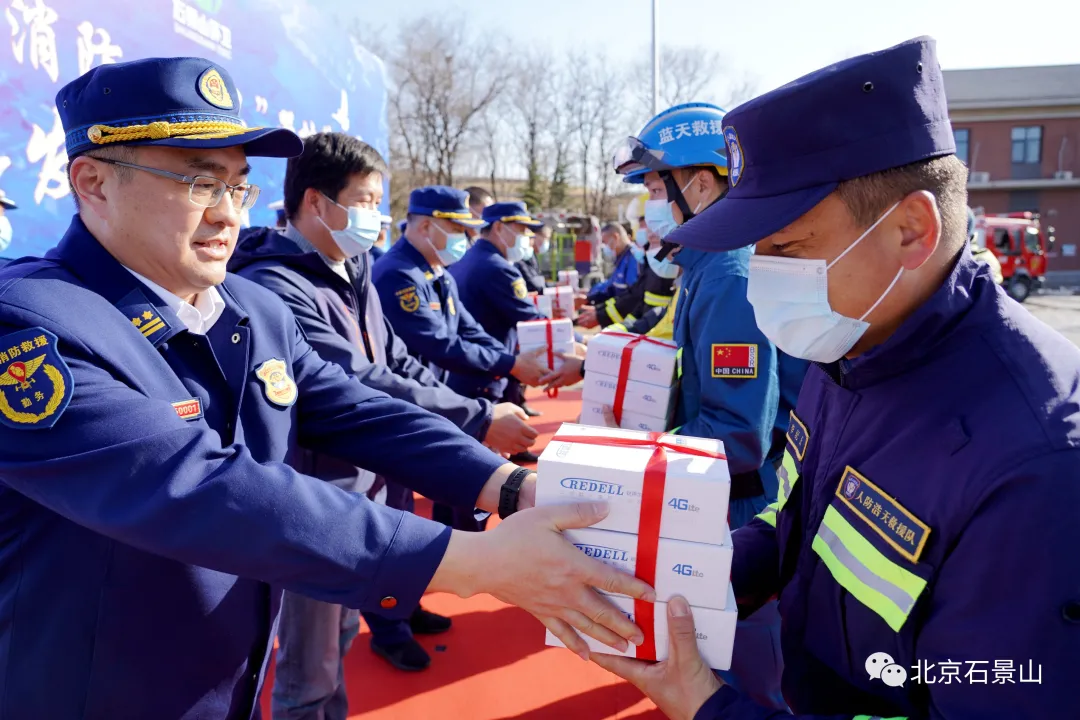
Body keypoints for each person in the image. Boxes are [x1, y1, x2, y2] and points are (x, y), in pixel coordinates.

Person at [0, 57, 656, 719]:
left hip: (234, 682)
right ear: (94, 184)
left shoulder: (250, 308)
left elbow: (356, 408)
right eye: (198, 183)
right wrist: (472, 561)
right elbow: (200, 487)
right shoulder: (31, 327)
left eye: (238, 186)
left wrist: (508, 486)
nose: (226, 214)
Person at [594, 36, 1080, 720]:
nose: (761, 275)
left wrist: (705, 706)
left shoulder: (1038, 470)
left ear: (912, 229)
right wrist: (700, 578)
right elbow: (799, 516)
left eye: (788, 248)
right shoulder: (847, 346)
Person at [229, 134, 540, 708]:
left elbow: (394, 359)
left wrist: (479, 413)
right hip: (316, 499)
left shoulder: (351, 267)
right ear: (317, 203)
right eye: (367, 200)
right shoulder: (276, 286)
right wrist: (476, 418)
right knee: (309, 669)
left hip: (367, 483)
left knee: (343, 635)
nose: (377, 216)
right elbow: (356, 382)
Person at [612, 101, 811, 711]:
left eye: (654, 186)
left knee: (742, 667)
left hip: (739, 502)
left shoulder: (727, 273)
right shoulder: (703, 266)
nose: (650, 201)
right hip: (716, 490)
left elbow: (737, 431)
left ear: (700, 182)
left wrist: (628, 460)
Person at [373, 187, 550, 531]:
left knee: (453, 488)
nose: (465, 239)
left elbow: (468, 329)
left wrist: (508, 360)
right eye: (457, 230)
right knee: (405, 502)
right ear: (426, 226)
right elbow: (439, 343)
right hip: (410, 399)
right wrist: (511, 364)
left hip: (439, 393)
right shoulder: (399, 275)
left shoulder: (435, 271)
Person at [446, 202, 549, 426]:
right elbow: (529, 317)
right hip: (487, 368)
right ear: (500, 228)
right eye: (521, 230)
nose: (526, 237)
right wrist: (577, 340)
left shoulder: (469, 257)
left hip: (470, 365)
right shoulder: (497, 267)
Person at [578, 222, 639, 328]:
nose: (605, 247)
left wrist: (600, 315)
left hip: (627, 323)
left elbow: (630, 295)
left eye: (605, 242)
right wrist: (591, 294)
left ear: (615, 237)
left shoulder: (633, 258)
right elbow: (611, 285)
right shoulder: (622, 258)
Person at [517, 222, 551, 295]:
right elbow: (535, 285)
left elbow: (538, 279)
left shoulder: (530, 255)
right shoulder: (517, 258)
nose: (531, 241)